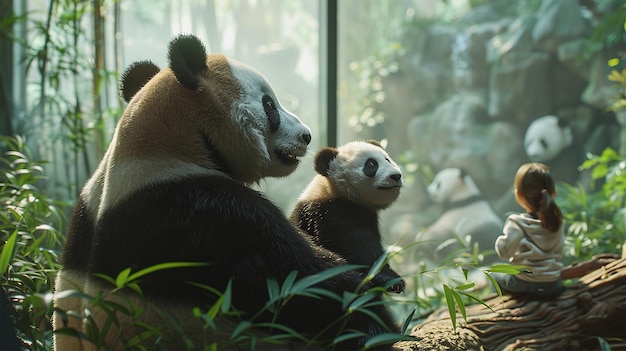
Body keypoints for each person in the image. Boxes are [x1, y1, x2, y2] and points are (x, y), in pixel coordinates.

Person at [494, 162, 565, 297]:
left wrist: (500, 242)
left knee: (493, 276)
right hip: (553, 285)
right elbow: (559, 251)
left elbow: (504, 252)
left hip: (523, 282)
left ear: (519, 195)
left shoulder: (517, 223)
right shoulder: (558, 222)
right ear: (553, 193)